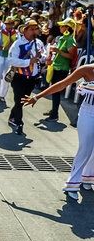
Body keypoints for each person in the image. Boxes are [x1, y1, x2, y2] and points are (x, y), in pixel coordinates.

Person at [22, 64, 94, 200]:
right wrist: (37, 97)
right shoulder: (86, 70)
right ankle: (72, 184)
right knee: (85, 149)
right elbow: (62, 84)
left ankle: (88, 178)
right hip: (89, 114)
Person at [7, 20, 45, 135]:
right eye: (31, 29)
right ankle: (19, 124)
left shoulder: (38, 43)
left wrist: (41, 57)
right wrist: (29, 61)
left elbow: (44, 57)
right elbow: (12, 60)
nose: (34, 31)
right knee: (19, 101)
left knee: (21, 102)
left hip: (32, 79)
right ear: (25, 30)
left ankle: (12, 117)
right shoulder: (17, 44)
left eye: (35, 29)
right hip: (19, 77)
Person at [44, 17, 77, 122]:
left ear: (67, 28)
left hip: (62, 69)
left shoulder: (70, 39)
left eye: (62, 26)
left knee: (56, 91)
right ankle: (54, 111)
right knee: (54, 91)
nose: (60, 27)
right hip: (56, 66)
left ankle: (54, 115)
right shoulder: (62, 38)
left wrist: (59, 52)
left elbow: (71, 56)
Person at [0, 17, 18, 103]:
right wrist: (3, 48)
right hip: (1, 56)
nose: (9, 26)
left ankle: (3, 95)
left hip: (10, 58)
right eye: (8, 24)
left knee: (7, 77)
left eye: (11, 24)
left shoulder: (16, 33)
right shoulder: (1, 32)